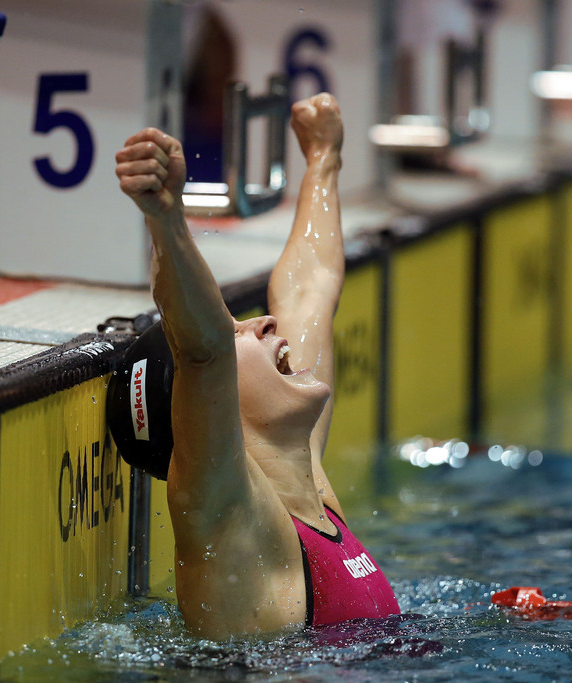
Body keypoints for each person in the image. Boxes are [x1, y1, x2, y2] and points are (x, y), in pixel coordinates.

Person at [112, 93, 399, 640]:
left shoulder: (309, 488)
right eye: (240, 328)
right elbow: (203, 350)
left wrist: (323, 158)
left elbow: (309, 287)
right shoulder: (231, 518)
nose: (265, 323)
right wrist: (168, 221)